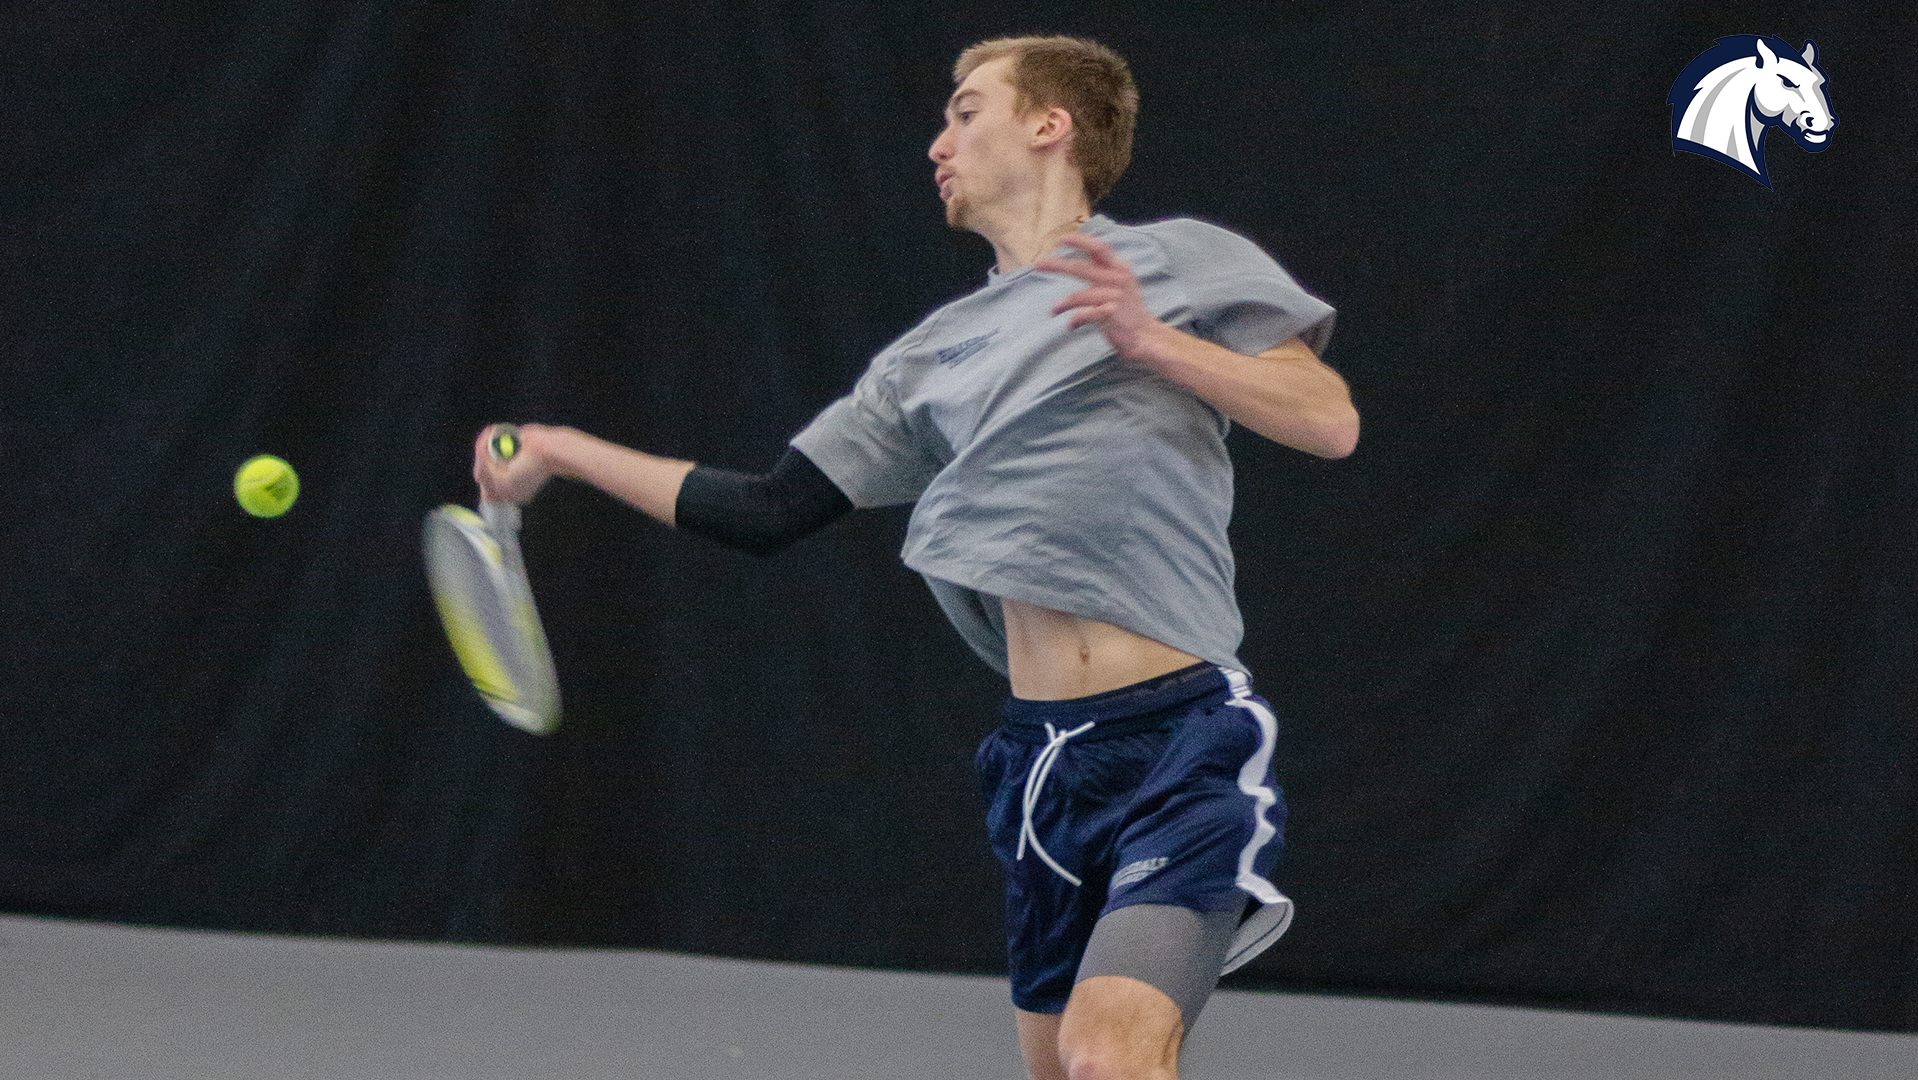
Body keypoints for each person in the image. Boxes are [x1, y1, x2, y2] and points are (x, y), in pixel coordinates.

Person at [474, 35, 1357, 1080]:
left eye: (965, 110)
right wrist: (566, 452)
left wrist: (1153, 341)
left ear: (1049, 124)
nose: (938, 142)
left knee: (1107, 1057)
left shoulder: (1173, 262)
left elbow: (1326, 420)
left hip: (1179, 739)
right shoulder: (926, 359)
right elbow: (767, 509)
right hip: (1037, 766)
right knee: (1056, 1070)